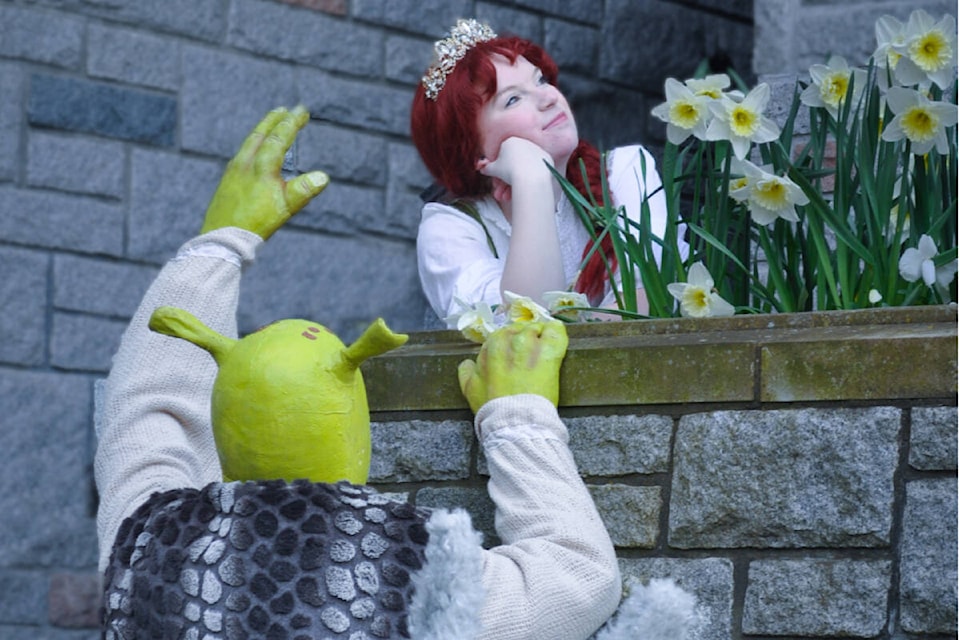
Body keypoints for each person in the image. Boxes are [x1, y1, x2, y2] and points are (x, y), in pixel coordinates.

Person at [94, 106, 629, 639]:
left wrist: (218, 242)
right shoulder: (407, 569)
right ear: (351, 414)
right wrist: (517, 416)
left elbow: (145, 410)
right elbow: (576, 578)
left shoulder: (149, 548)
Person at [411, 19, 685, 326]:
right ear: (474, 151)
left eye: (540, 81)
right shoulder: (450, 230)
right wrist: (533, 181)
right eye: (513, 99)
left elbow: (648, 296)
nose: (549, 97)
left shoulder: (624, 170)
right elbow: (524, 326)